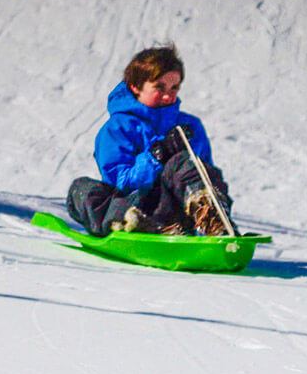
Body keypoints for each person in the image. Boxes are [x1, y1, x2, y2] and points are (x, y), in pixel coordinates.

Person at [66, 44, 234, 237]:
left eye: (174, 88)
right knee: (81, 189)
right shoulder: (118, 128)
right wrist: (156, 157)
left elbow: (205, 174)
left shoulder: (190, 126)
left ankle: (213, 222)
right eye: (159, 87)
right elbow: (119, 183)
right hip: (138, 207)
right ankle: (134, 225)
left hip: (181, 212)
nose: (167, 95)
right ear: (135, 87)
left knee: (185, 163)